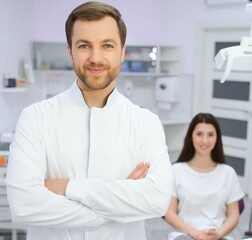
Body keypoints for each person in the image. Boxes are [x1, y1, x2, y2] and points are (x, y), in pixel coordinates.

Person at [6, 2, 172, 240]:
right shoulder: (35, 118)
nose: (96, 58)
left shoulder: (146, 123)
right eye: (84, 45)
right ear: (70, 51)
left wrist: (67, 188)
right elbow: (23, 204)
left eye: (107, 45)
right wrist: (119, 203)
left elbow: (158, 200)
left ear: (122, 52)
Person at [165, 113, 244, 240]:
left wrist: (218, 234)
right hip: (186, 234)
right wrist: (195, 233)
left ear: (217, 138)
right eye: (199, 134)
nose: (204, 141)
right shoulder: (176, 171)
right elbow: (169, 213)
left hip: (218, 235)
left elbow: (234, 215)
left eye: (210, 135)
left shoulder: (228, 173)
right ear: (191, 137)